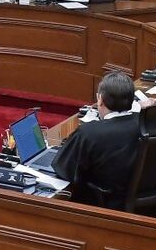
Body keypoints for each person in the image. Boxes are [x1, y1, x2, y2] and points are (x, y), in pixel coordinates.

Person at [51, 71, 140, 210]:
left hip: (102, 205)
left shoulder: (89, 132)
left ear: (100, 100)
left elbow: (64, 169)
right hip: (138, 199)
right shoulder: (144, 123)